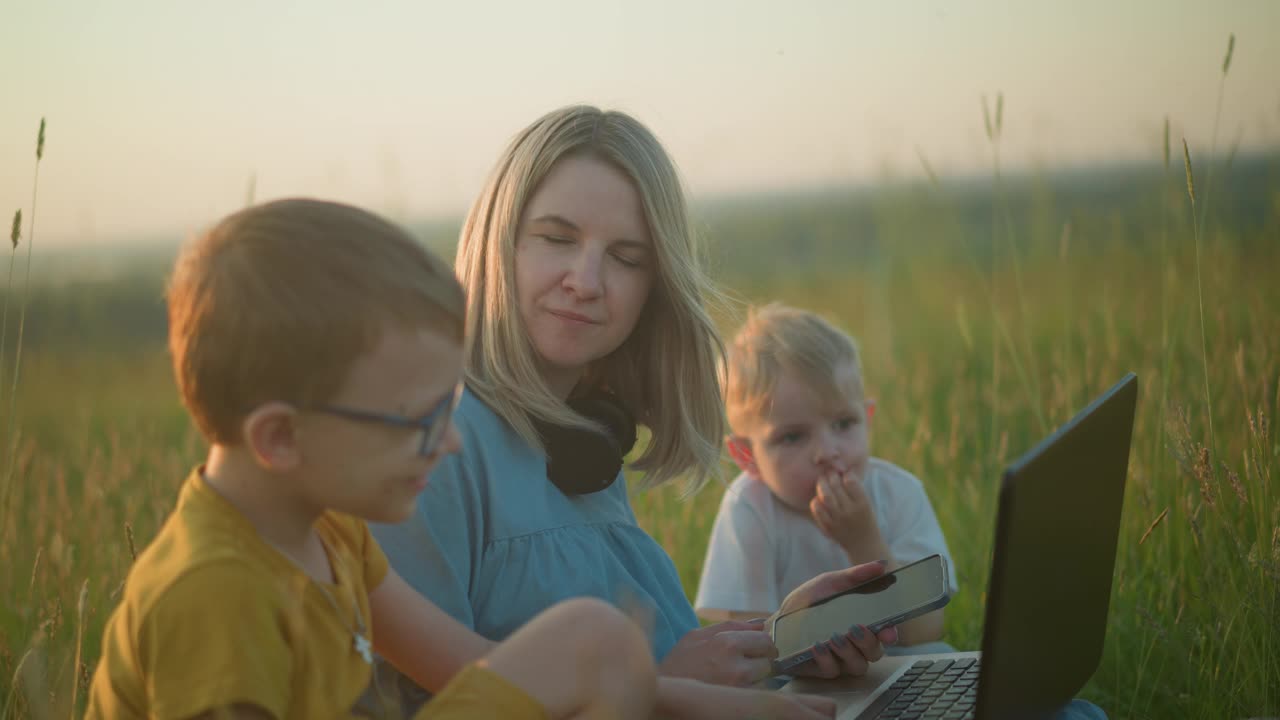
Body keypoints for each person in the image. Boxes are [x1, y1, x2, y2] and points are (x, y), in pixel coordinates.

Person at [371, 106, 899, 719]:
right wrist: (653, 686)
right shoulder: (439, 441)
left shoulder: (587, 442)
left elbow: (663, 663)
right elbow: (432, 704)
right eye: (558, 238)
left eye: (626, 257)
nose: (587, 280)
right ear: (499, 242)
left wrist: (778, 639)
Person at [85, 198, 658, 720]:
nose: (452, 441)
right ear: (281, 438)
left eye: (450, 407)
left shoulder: (330, 530)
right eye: (418, 420)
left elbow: (469, 663)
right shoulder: (213, 597)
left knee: (596, 641)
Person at [694, 303, 957, 654]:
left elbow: (927, 630)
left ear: (868, 419)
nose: (827, 451)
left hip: (892, 669)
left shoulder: (899, 493)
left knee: (940, 656)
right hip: (792, 686)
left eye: (844, 424)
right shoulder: (750, 510)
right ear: (747, 456)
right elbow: (747, 648)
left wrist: (864, 542)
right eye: (792, 437)